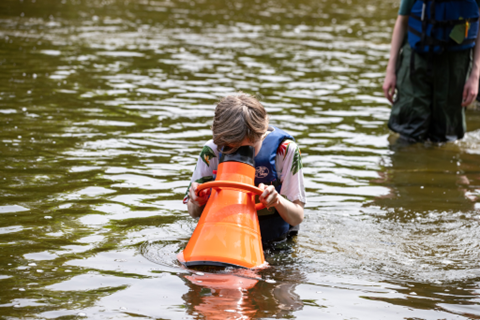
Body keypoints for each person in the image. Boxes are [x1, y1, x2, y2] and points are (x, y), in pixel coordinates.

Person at [183, 94, 306, 246]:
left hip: (273, 241)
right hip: (222, 237)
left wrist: (277, 201)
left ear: (261, 134)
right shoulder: (212, 150)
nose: (239, 155)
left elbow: (297, 216)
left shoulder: (285, 151)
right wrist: (197, 201)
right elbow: (193, 212)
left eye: (248, 149)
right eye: (230, 149)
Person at [383, 0, 480, 143]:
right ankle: (405, 163)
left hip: (455, 66)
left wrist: (475, 75)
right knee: (409, 131)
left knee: (446, 135)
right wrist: (391, 71)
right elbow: (402, 21)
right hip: (417, 61)